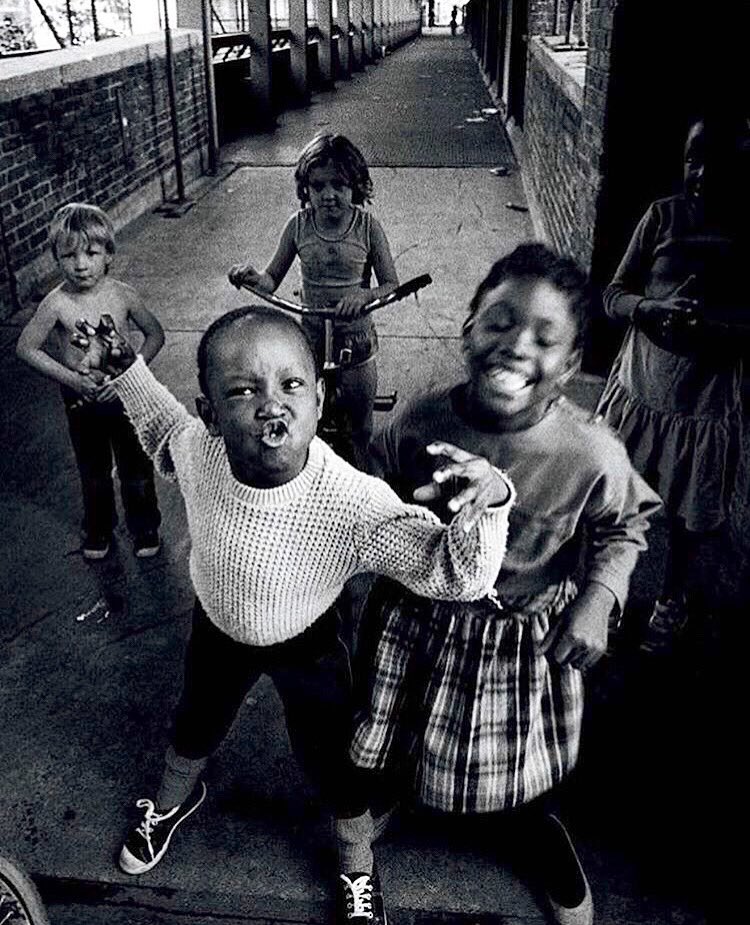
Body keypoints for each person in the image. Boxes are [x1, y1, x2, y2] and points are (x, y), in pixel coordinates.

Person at [71, 304, 514, 925]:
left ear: (321, 396)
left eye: (291, 385)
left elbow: (457, 576)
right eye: (243, 390)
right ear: (213, 415)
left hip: (308, 642)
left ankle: (356, 854)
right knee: (195, 721)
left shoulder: (353, 503)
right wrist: (127, 370)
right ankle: (173, 799)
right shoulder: (200, 452)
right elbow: (161, 424)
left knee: (335, 753)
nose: (270, 405)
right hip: (218, 630)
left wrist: (487, 504)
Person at [350, 243, 661, 925]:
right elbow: (372, 489)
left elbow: (626, 523)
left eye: (546, 337)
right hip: (422, 613)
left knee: (517, 760)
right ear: (467, 330)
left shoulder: (589, 450)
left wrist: (599, 597)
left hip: (519, 634)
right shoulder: (423, 419)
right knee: (404, 719)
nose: (517, 345)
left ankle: (535, 830)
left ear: (572, 364)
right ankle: (401, 790)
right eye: (498, 321)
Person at [595, 113, 750, 653]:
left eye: (719, 163)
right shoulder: (662, 217)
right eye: (693, 158)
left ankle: (672, 596)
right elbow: (613, 293)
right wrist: (650, 308)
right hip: (642, 387)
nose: (702, 173)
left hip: (703, 401)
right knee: (617, 500)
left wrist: (714, 327)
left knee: (686, 511)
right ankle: (608, 593)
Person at [228, 133, 399, 470]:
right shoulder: (298, 226)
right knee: (305, 421)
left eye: (339, 184)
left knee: (361, 427)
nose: (328, 195)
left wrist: (365, 295)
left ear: (357, 186)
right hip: (311, 339)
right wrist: (252, 277)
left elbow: (390, 285)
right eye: (318, 186)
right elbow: (270, 279)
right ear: (305, 189)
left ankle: (365, 482)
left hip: (356, 339)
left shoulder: (367, 228)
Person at [16, 202, 163, 560]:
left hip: (127, 396)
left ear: (108, 254)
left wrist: (133, 372)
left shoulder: (123, 294)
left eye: (91, 253)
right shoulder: (56, 304)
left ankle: (144, 526)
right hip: (81, 400)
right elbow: (26, 348)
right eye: (68, 255)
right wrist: (71, 379)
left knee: (136, 465)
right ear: (56, 258)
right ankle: (99, 528)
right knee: (92, 468)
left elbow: (155, 334)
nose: (80, 264)